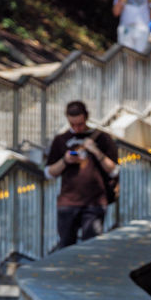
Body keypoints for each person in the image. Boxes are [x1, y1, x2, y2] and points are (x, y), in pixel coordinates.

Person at [45, 100, 119, 250]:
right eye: (73, 125)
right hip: (67, 203)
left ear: (86, 118)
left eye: (80, 124)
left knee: (91, 247)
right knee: (66, 247)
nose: (77, 128)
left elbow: (114, 170)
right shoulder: (61, 140)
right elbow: (49, 173)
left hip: (95, 203)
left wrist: (96, 152)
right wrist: (66, 160)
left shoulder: (102, 138)